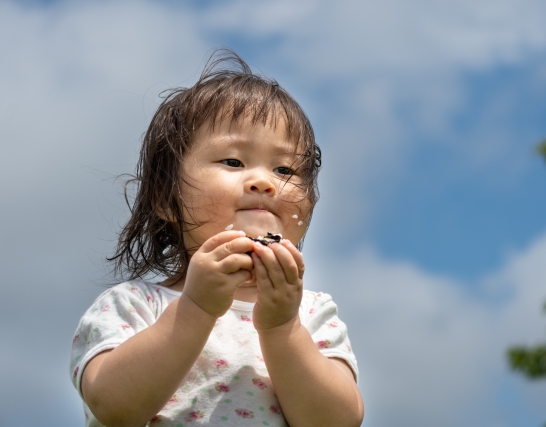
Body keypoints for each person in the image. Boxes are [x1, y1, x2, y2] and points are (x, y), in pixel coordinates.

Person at [69, 49, 364, 427]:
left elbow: (337, 422)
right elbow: (114, 407)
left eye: (286, 168)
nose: (264, 182)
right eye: (233, 162)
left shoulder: (311, 315)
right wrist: (196, 307)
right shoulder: (133, 306)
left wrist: (281, 327)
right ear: (165, 197)